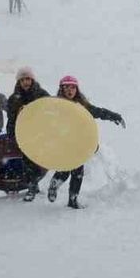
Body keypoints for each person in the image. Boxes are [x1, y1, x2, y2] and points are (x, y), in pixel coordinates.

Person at [45, 75, 125, 210]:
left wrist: (114, 116)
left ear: (76, 89)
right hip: (64, 143)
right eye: (66, 87)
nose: (70, 90)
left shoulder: (82, 105)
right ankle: (62, 191)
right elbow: (44, 118)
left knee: (74, 171)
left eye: (73, 87)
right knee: (69, 170)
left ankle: (67, 194)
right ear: (61, 89)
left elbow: (98, 112)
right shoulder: (56, 106)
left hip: (78, 143)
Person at [6, 66, 50, 201]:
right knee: (27, 161)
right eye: (23, 79)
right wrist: (11, 134)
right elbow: (11, 119)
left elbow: (51, 112)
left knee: (38, 160)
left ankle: (35, 183)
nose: (25, 82)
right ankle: (32, 187)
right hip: (23, 134)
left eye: (28, 79)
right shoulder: (14, 98)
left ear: (32, 80)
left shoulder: (41, 94)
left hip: (39, 132)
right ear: (19, 81)